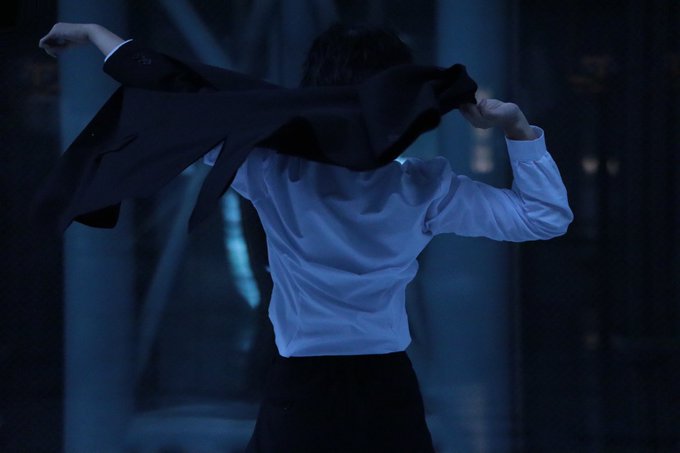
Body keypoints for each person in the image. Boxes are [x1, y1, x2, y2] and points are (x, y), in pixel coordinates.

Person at [39, 22, 573, 453]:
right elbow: (545, 217)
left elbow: (180, 91)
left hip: (302, 388)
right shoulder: (422, 185)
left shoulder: (270, 169)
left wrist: (95, 34)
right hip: (387, 389)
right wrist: (516, 127)